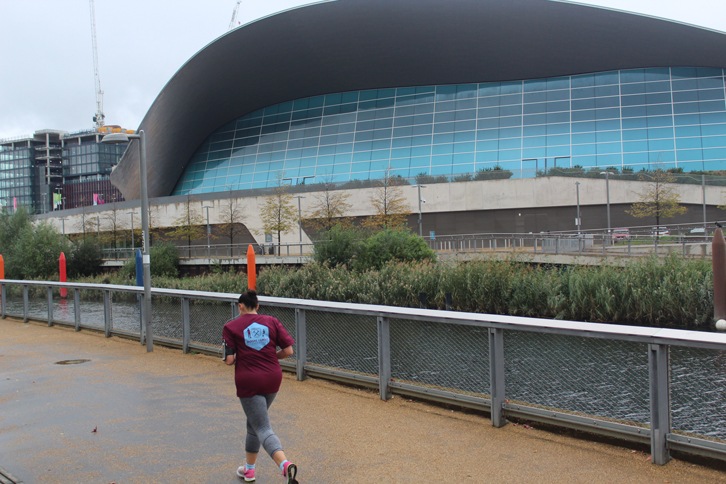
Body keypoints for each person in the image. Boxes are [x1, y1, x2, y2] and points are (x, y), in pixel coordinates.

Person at [223, 290, 298, 483]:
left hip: (249, 380)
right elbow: (288, 350)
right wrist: (272, 357)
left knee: (262, 427)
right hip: (273, 378)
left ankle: (284, 465)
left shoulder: (230, 327)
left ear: (240, 306)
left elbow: (229, 360)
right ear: (257, 306)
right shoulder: (272, 321)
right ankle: (249, 470)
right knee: (254, 424)